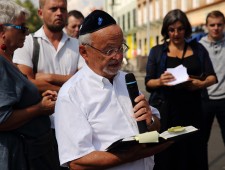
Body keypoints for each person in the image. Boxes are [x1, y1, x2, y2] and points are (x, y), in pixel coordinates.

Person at [54, 10, 172, 170]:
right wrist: (134, 154)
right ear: (84, 52)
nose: (118, 56)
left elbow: (155, 126)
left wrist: (150, 121)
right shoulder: (71, 95)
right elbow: (77, 161)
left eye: (120, 47)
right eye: (109, 50)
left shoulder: (127, 80)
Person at [145, 9, 217, 170]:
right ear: (166, 30)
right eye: (171, 29)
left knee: (194, 153)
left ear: (186, 29)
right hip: (167, 111)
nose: (176, 33)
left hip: (194, 110)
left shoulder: (198, 49)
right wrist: (160, 81)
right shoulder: (157, 52)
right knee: (167, 155)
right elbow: (148, 82)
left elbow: (212, 76)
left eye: (180, 29)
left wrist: (201, 84)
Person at [0, 1, 60, 169]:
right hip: (16, 157)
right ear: (2, 30)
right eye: (21, 28)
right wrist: (40, 108)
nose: (26, 33)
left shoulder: (8, 61)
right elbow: (2, 119)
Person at [199, 10, 225, 163]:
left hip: (224, 99)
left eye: (219, 25)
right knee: (201, 141)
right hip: (205, 100)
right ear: (206, 26)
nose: (216, 28)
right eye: (212, 25)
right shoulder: (199, 47)